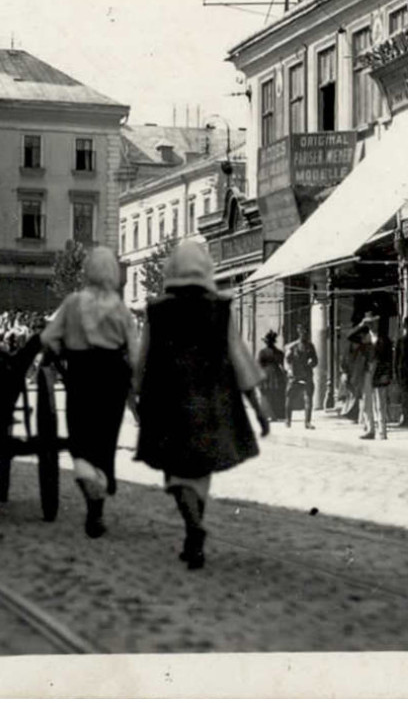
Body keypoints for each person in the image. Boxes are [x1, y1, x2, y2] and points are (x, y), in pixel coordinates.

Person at [133, 241, 269, 571]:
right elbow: (239, 358)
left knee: (175, 472)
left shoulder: (157, 309)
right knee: (201, 470)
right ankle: (193, 534)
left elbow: (145, 358)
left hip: (169, 403)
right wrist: (258, 407)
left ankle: (193, 528)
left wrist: (136, 397)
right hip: (212, 404)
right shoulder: (220, 308)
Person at [40, 246, 140, 539]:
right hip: (113, 378)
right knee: (105, 441)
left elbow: (48, 339)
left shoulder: (72, 303)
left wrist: (57, 356)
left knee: (81, 442)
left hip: (81, 377)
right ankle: (102, 483)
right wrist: (136, 384)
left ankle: (93, 496)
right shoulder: (121, 308)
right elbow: (133, 354)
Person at [360, 314, 393, 441]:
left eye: (373, 324)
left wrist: (388, 375)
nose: (371, 326)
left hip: (380, 374)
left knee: (380, 404)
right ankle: (370, 430)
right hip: (368, 373)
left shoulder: (384, 340)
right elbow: (350, 336)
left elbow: (389, 360)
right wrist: (361, 325)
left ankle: (382, 431)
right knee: (368, 404)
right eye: (369, 324)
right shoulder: (365, 339)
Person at [283, 332, 318, 430]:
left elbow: (315, 360)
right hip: (294, 375)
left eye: (306, 332)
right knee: (290, 397)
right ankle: (288, 420)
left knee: (308, 398)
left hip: (307, 375)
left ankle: (307, 422)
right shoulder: (292, 346)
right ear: (299, 333)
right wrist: (289, 370)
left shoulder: (310, 346)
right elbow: (286, 360)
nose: (304, 335)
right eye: (302, 332)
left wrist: (312, 363)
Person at [256, 332, 287, 432]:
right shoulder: (278, 352)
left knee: (268, 394)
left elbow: (259, 365)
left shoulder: (263, 352)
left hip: (267, 374)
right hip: (275, 375)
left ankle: (270, 415)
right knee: (274, 394)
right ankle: (275, 415)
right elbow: (282, 365)